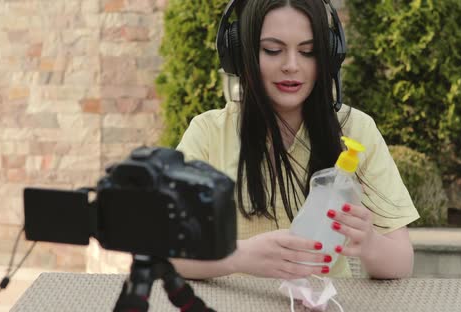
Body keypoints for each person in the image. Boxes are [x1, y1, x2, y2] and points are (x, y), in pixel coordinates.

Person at [172, 0, 420, 280]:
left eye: (308, 52)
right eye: (273, 50)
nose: (291, 66)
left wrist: (370, 243)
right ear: (241, 53)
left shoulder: (356, 131)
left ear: (329, 55)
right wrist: (240, 257)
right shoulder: (208, 133)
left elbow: (402, 262)